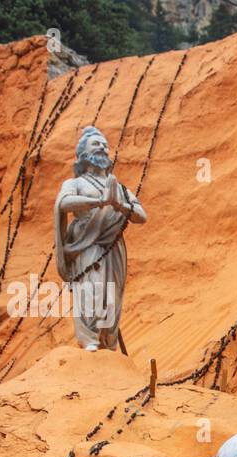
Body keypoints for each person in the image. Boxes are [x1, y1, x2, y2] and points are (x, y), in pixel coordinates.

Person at [54, 125, 148, 353]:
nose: (103, 148)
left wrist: (119, 204)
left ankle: (108, 341)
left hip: (113, 248)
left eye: (105, 145)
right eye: (97, 144)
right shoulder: (76, 183)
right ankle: (90, 338)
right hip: (87, 246)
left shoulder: (119, 187)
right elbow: (63, 204)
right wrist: (98, 202)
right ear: (84, 154)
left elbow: (141, 216)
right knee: (91, 289)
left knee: (112, 296)